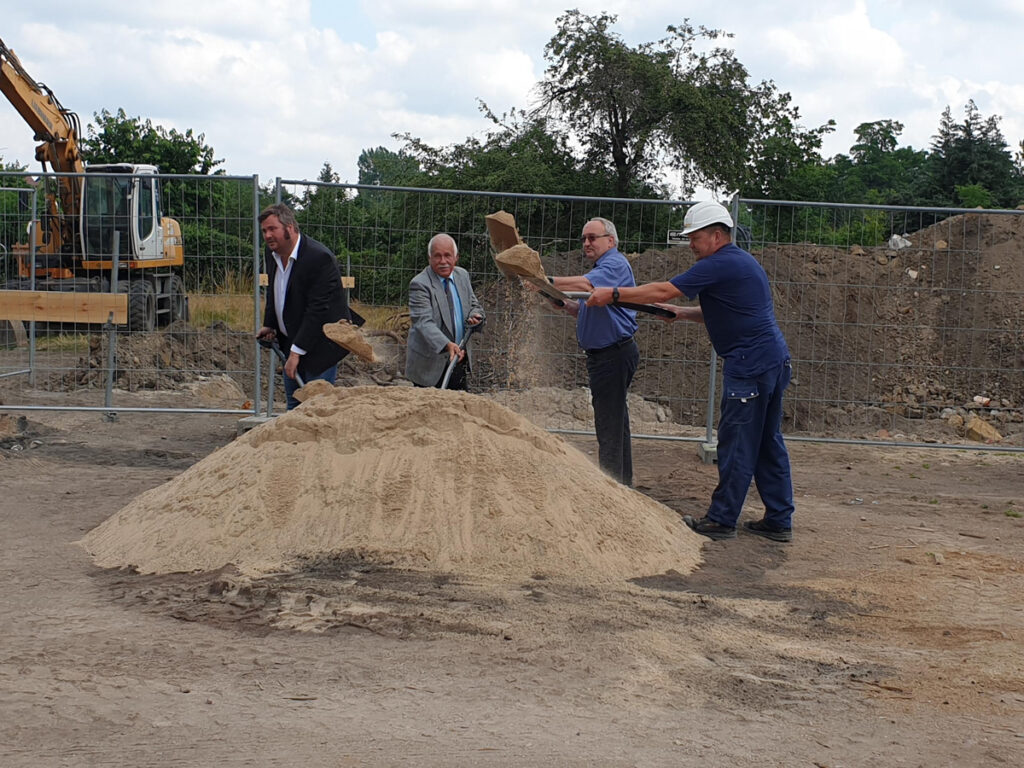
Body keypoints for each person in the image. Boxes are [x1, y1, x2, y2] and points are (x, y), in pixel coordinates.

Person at [587, 201, 794, 542]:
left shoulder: (719, 262)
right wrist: (683, 315)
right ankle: (779, 519)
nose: (691, 245)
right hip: (771, 360)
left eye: (695, 238)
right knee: (768, 442)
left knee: (736, 443)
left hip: (749, 365)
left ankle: (722, 519)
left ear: (716, 235)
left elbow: (665, 289)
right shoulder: (739, 262)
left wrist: (614, 294)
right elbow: (727, 309)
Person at [544, 217, 639, 486]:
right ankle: (623, 482)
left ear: (610, 240)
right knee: (616, 422)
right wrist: (561, 302)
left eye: (592, 238)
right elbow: (583, 306)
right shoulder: (604, 268)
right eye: (584, 238)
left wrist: (545, 279)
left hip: (612, 355)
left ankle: (611, 487)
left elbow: (586, 287)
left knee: (609, 425)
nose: (587, 243)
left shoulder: (614, 264)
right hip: (609, 354)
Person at [256, 203, 362, 410]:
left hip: (320, 346)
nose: (267, 235)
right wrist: (270, 324)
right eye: (264, 231)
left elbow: (318, 310)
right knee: (294, 407)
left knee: (316, 410)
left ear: (290, 227)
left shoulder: (318, 258)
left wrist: (296, 353)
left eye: (272, 229)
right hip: (293, 342)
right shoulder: (272, 254)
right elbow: (274, 292)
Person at [405, 233, 485, 390]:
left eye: (448, 255)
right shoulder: (420, 284)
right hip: (429, 366)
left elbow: (474, 304)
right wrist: (447, 345)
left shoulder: (462, 276)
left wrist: (476, 316)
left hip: (458, 359)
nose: (443, 261)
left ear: (456, 257)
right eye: (437, 256)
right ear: (429, 258)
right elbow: (423, 323)